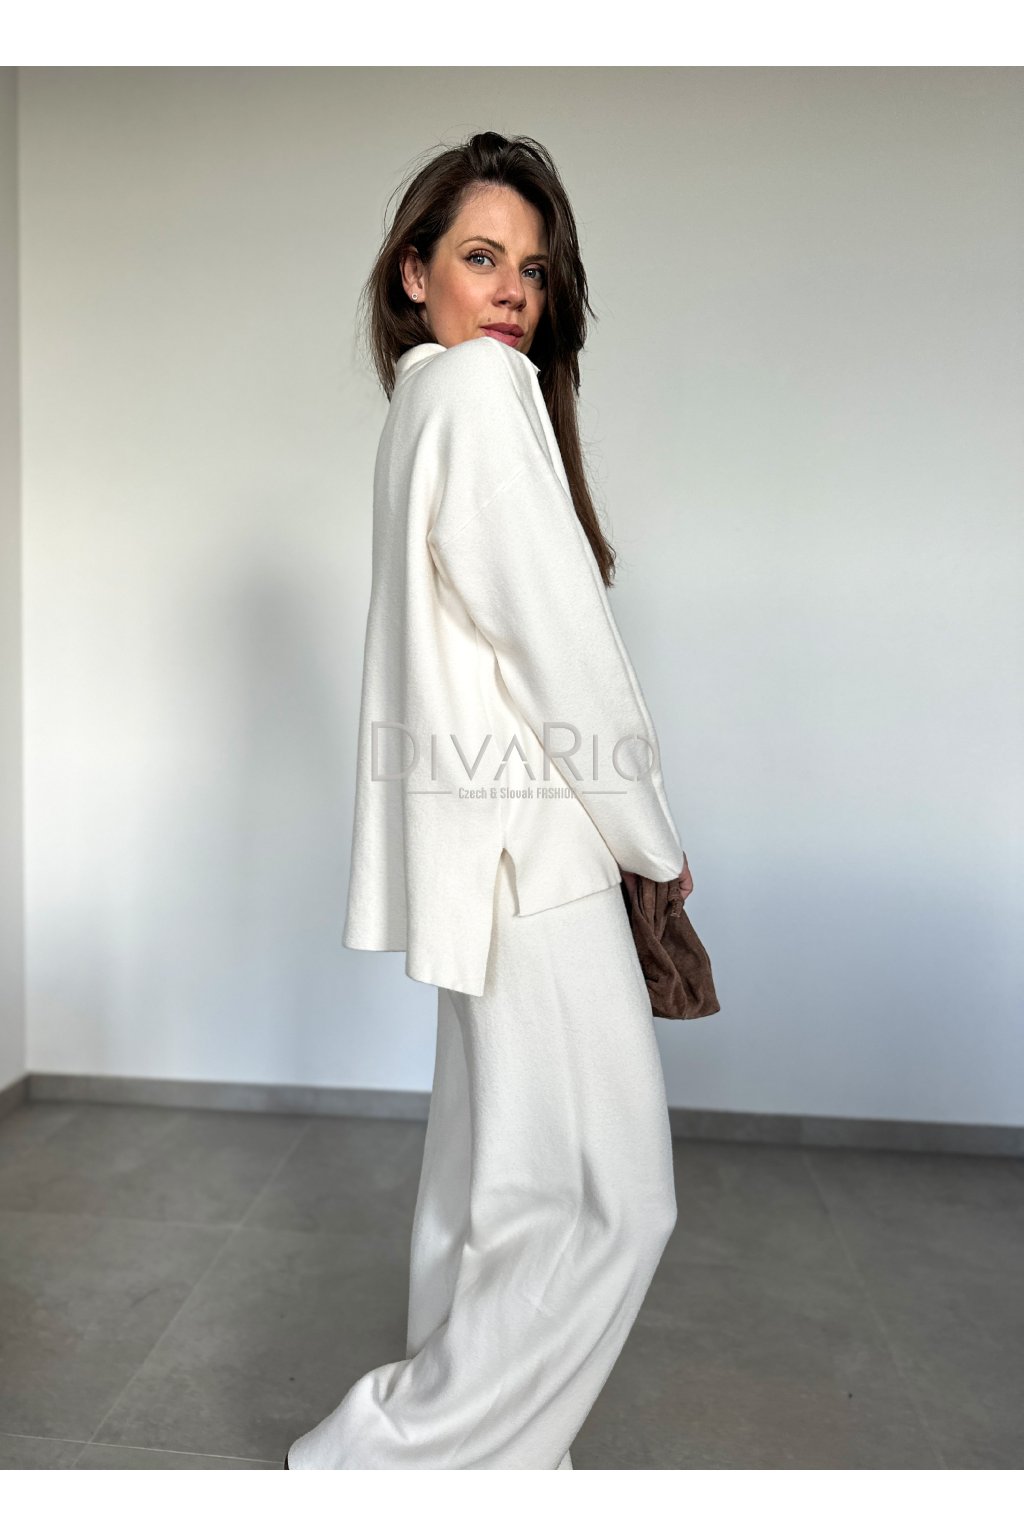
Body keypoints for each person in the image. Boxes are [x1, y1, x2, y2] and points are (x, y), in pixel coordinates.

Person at [285, 130, 691, 1471]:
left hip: (482, 860)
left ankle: (482, 1464)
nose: (512, 289)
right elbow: (559, 646)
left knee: (492, 1195)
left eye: (533, 266)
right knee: (613, 1202)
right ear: (413, 273)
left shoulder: (423, 404)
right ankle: (398, 1464)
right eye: (479, 256)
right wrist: (651, 840)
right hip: (537, 855)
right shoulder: (478, 392)